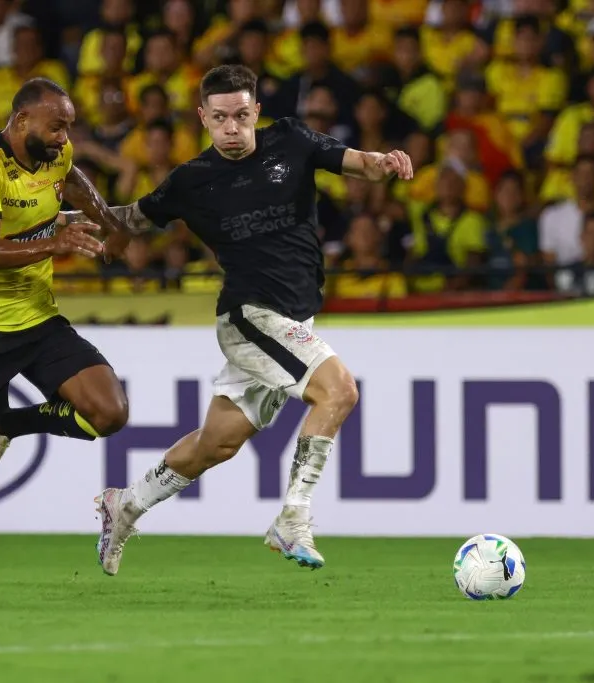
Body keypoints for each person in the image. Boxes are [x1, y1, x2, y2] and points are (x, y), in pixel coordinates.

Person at [70, 65, 412, 575]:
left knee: (217, 444)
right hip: (250, 315)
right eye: (220, 118)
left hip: (294, 319)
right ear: (203, 118)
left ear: (256, 112)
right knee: (338, 390)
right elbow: (128, 220)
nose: (232, 128)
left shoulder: (291, 140)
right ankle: (294, 518)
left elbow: (354, 162)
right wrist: (57, 221)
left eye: (241, 116)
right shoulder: (191, 181)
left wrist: (383, 162)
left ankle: (125, 505)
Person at [0, 78, 132, 604]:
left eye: (69, 126)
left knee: (108, 412)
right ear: (21, 121)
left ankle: (12, 426)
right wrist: (56, 241)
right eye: (58, 125)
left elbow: (75, 183)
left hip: (38, 320)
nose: (66, 137)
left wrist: (111, 223)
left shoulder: (54, 156)